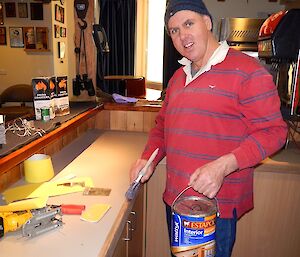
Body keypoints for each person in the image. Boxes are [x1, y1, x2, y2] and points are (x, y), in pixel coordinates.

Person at [129, 0, 288, 256]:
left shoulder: (248, 72)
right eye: (174, 30)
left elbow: (274, 132)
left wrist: (223, 165)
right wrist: (147, 157)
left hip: (216, 208)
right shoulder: (178, 77)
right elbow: (163, 127)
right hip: (177, 201)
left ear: (207, 22)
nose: (183, 35)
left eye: (188, 24)